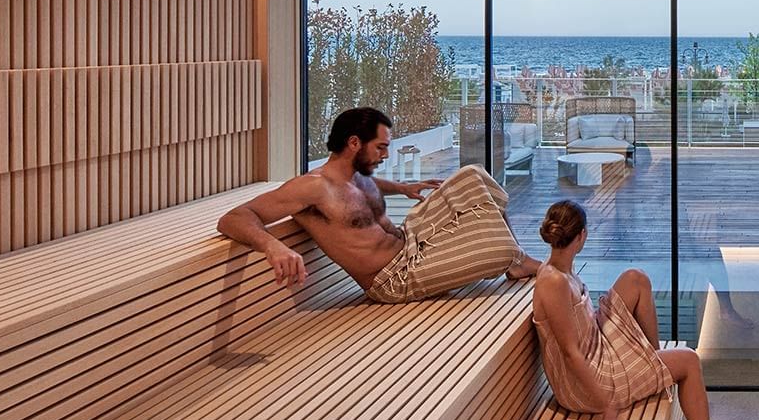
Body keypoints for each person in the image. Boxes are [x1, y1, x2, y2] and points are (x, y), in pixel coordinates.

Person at [217, 107, 539, 299]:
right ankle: (514, 259)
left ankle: (517, 261)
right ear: (354, 143)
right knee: (499, 250)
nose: (385, 155)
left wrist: (402, 187)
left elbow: (363, 193)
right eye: (381, 148)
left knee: (472, 176)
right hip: (393, 278)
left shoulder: (357, 173)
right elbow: (234, 217)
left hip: (410, 238)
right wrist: (273, 246)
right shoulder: (312, 188)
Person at [532, 200, 746, 420]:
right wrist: (606, 407)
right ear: (582, 236)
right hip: (590, 381)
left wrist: (517, 266)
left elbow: (529, 269)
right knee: (689, 361)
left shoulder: (555, 267)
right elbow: (571, 354)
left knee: (636, 279)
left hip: (596, 341)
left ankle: (653, 362)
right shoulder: (554, 282)